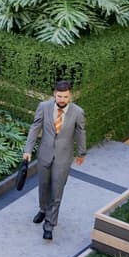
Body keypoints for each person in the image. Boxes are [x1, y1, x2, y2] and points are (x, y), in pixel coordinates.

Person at [24, 79, 87, 241]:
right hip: (44, 154)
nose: (62, 100)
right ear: (54, 94)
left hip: (64, 158)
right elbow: (35, 128)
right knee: (43, 186)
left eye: (65, 97)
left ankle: (49, 225)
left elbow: (81, 133)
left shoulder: (77, 112)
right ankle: (43, 209)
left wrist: (81, 153)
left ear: (70, 96)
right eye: (59, 96)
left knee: (57, 190)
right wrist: (28, 150)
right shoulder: (43, 107)